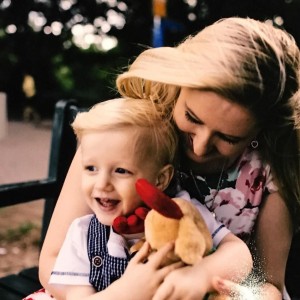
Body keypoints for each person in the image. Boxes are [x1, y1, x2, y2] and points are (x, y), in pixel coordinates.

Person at [37, 16, 300, 300]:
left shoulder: (267, 171)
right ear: (178, 86)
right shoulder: (127, 135)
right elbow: (52, 260)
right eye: (191, 117)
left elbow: (268, 283)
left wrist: (213, 283)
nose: (200, 147)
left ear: (259, 130)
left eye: (229, 138)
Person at [34, 97, 251, 300]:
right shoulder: (83, 234)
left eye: (121, 171)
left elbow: (240, 254)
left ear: (160, 179)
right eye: (91, 168)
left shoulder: (180, 212)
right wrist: (122, 294)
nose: (101, 184)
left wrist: (200, 275)